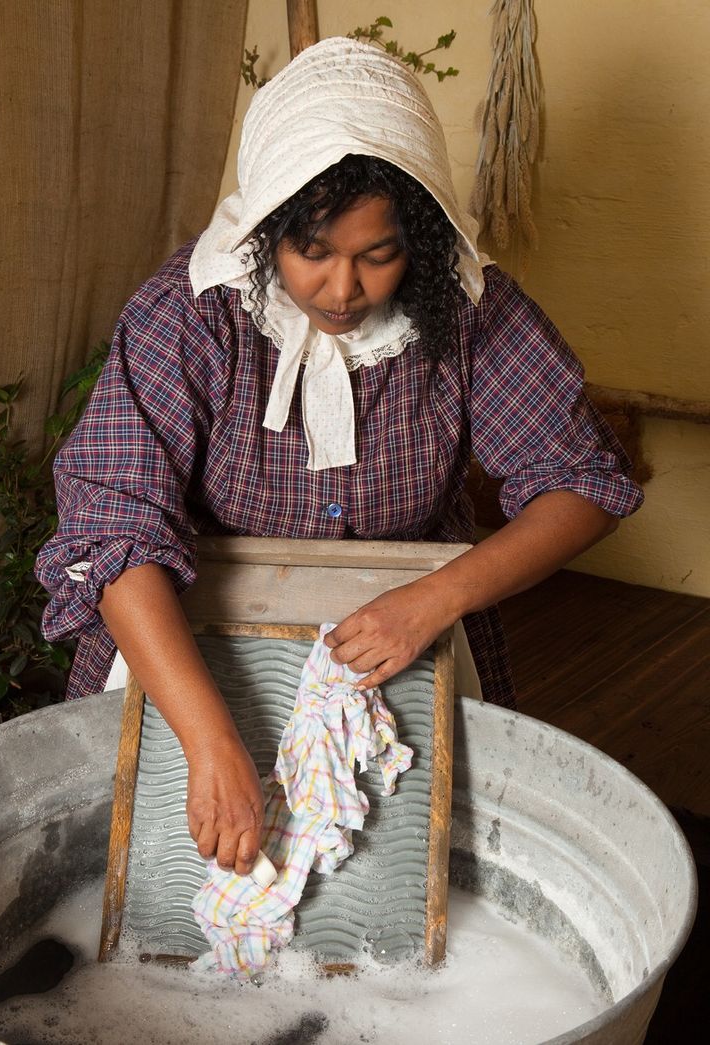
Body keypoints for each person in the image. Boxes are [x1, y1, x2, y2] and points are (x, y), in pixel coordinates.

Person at [35, 38, 642, 883]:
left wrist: (435, 598)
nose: (342, 290)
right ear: (265, 235)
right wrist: (209, 741)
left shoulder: (469, 316)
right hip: (189, 645)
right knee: (179, 877)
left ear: (420, 241)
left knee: (393, 880)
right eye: (312, 252)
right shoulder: (192, 316)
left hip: (406, 636)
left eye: (378, 255)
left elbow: (582, 483)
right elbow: (112, 529)